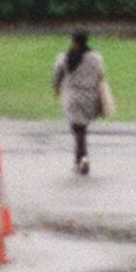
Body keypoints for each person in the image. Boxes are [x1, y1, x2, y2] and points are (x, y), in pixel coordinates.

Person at [52, 29, 109, 176]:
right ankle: (80, 159)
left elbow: (57, 74)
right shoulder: (95, 58)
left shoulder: (64, 57)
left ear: (73, 41)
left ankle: (82, 158)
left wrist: (56, 89)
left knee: (78, 129)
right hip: (89, 96)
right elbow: (101, 74)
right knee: (81, 128)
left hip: (72, 97)